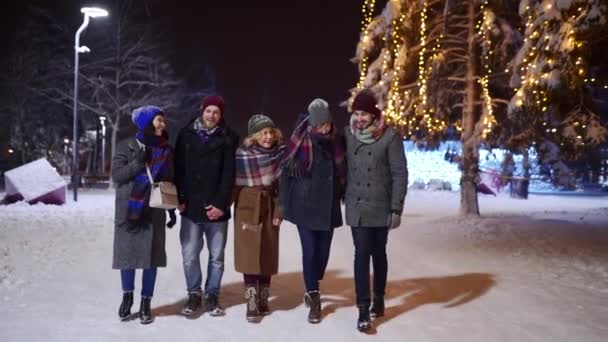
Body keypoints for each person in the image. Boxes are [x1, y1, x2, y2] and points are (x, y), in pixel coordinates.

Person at [344, 90, 407, 332]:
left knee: (378, 253)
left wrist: (396, 208)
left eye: (364, 114)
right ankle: (363, 309)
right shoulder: (348, 135)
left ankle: (379, 296)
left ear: (374, 115)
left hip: (381, 207)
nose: (359, 119)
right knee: (361, 254)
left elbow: (399, 173)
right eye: (356, 113)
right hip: (357, 205)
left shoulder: (390, 137)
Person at [279, 98, 346, 324]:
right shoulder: (300, 140)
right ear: (312, 124)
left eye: (326, 125)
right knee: (309, 251)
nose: (323, 129)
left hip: (328, 205)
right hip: (304, 203)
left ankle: (313, 280)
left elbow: (343, 169)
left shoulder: (337, 140)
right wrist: (283, 205)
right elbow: (286, 172)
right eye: (319, 126)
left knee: (323, 253)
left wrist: (343, 189)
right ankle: (313, 297)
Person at [174, 95, 239, 317]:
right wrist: (179, 198)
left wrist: (221, 204)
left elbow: (229, 174)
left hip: (217, 209)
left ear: (221, 116)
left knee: (216, 256)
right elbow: (178, 169)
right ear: (202, 111)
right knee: (190, 254)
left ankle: (212, 295)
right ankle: (194, 293)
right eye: (209, 111)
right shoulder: (186, 135)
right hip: (191, 207)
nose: (212, 115)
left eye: (216, 112)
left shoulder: (228, 138)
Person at [112, 105, 174, 324]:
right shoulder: (126, 146)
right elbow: (117, 176)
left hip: (154, 210)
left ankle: (146, 302)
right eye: (158, 120)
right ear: (147, 122)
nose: (163, 124)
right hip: (130, 209)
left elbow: (169, 180)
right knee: (127, 257)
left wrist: (172, 209)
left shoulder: (166, 150)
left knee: (151, 259)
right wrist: (139, 162)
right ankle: (127, 297)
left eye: (163, 120)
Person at [232, 114, 285, 322]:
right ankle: (251, 302)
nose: (269, 136)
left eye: (271, 132)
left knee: (268, 251)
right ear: (255, 135)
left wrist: (280, 211)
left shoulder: (281, 153)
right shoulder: (242, 155)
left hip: (271, 205)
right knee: (249, 253)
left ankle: (263, 297)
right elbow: (234, 185)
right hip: (247, 205)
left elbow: (285, 186)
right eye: (264, 132)